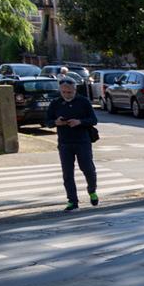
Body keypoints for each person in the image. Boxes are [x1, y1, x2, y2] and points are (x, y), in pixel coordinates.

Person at [45, 76, 98, 211]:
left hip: (82, 141)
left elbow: (93, 120)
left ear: (75, 90)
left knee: (88, 169)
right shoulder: (56, 103)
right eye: (63, 92)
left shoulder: (83, 101)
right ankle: (72, 201)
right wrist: (56, 122)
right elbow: (48, 121)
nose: (66, 95)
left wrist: (79, 122)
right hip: (64, 143)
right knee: (67, 173)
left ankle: (92, 191)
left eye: (69, 92)